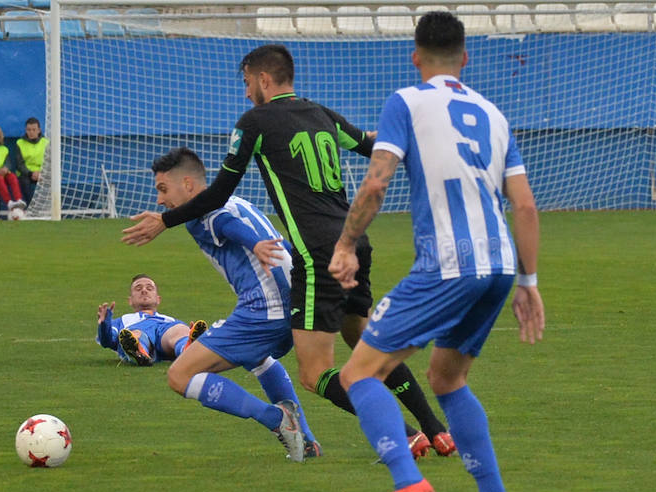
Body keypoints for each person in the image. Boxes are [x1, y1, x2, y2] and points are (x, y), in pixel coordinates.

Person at [122, 44, 454, 459]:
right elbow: (372, 145)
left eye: (246, 83)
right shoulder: (321, 114)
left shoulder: (254, 123)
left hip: (318, 254)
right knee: (364, 341)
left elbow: (220, 193)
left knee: (316, 374)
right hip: (355, 242)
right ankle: (434, 428)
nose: (245, 93)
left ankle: (403, 434)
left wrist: (163, 222)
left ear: (263, 80)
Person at [327, 11, 545, 492]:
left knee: (359, 373)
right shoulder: (494, 114)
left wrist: (346, 244)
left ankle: (409, 484)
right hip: (497, 265)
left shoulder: (406, 101)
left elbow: (376, 184)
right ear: (465, 58)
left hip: (449, 263)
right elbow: (525, 205)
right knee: (448, 378)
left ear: (415, 56)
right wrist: (528, 282)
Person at [152, 146, 315, 461]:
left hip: (264, 313)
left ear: (187, 184)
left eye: (163, 189)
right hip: (292, 302)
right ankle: (306, 441)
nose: (160, 200)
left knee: (179, 375)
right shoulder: (235, 199)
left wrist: (254, 243)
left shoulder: (204, 215)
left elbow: (227, 225)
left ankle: (276, 419)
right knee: (259, 360)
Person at [96, 273, 207, 367]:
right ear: (130, 300)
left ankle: (187, 347)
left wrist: (189, 332)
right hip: (140, 332)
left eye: (149, 288)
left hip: (164, 334)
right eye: (138, 289)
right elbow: (107, 341)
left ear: (158, 299)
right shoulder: (124, 320)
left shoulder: (169, 320)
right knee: (135, 333)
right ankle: (139, 351)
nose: (144, 291)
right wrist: (104, 324)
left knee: (180, 330)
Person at [16, 117, 48, 204]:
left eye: (34, 129)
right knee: (24, 182)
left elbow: (50, 162)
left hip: (42, 173)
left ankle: (48, 207)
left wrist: (41, 173)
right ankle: (31, 207)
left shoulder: (46, 142)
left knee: (52, 180)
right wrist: (31, 173)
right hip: (26, 174)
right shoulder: (20, 143)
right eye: (28, 130)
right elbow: (19, 164)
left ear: (39, 130)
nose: (31, 132)